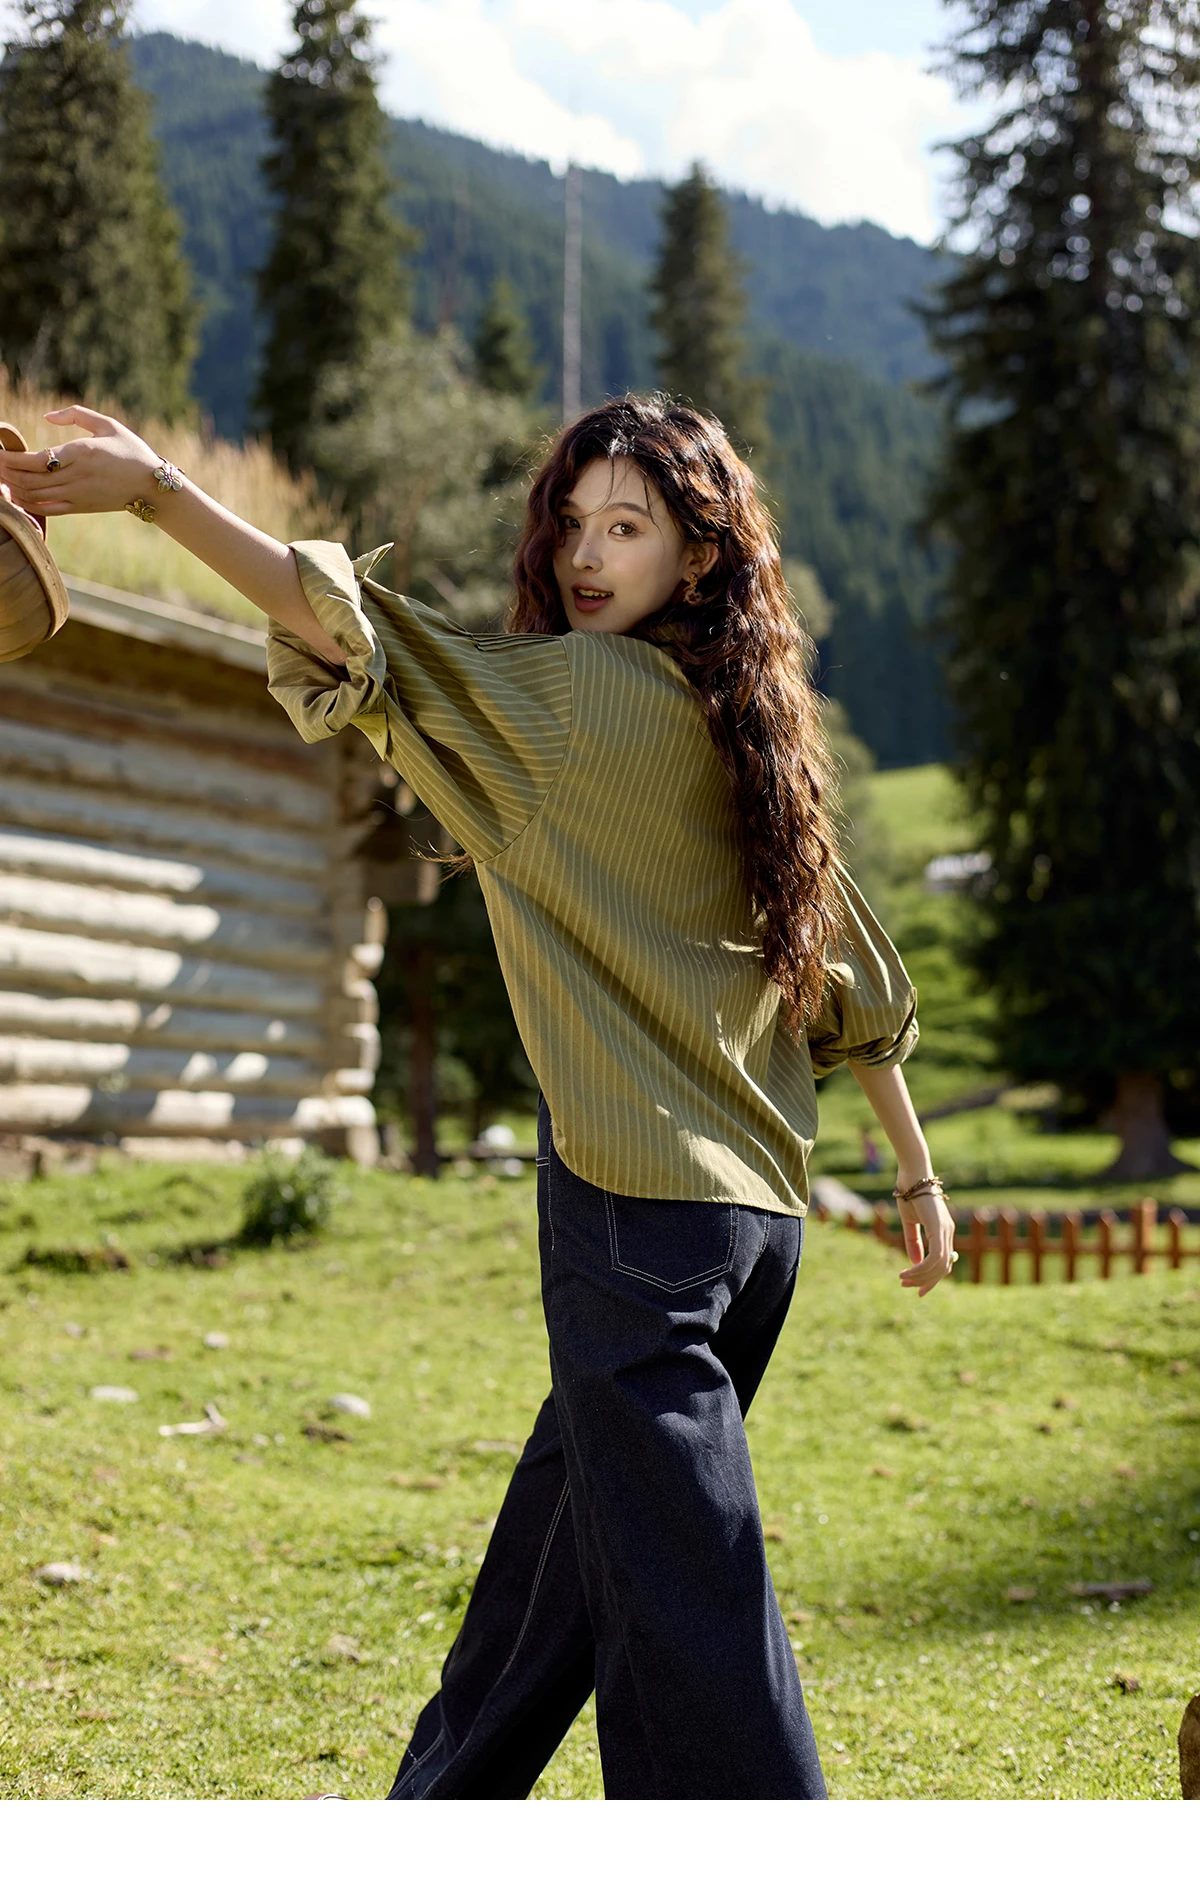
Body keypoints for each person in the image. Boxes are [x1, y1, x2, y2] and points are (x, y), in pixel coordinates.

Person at [0, 395, 956, 1800]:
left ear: (698, 554)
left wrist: (157, 496)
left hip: (638, 1219)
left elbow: (359, 633)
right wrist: (918, 1177)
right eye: (571, 523)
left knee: (689, 1620)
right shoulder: (748, 733)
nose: (586, 554)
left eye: (627, 526)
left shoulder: (574, 698)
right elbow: (855, 973)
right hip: (759, 1234)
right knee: (554, 1576)